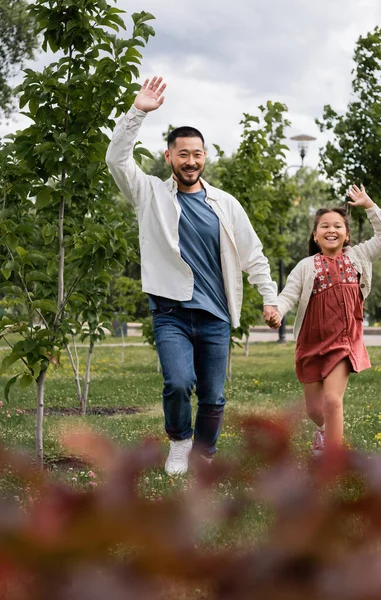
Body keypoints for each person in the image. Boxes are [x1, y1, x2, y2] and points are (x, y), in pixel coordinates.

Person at [106, 76, 280, 475]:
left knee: (214, 396)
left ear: (205, 158)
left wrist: (269, 297)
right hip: (171, 313)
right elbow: (117, 159)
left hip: (216, 316)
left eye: (197, 154)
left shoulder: (226, 204)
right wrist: (137, 113)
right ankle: (180, 442)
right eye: (182, 154)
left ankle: (204, 455)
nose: (190, 161)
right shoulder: (149, 194)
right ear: (169, 157)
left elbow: (254, 255)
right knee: (180, 383)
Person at [275, 185, 381, 455]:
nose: (331, 230)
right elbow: (288, 295)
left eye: (338, 226)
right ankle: (323, 431)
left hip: (344, 341)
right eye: (324, 226)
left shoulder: (359, 257)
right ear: (315, 236)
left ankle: (332, 461)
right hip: (311, 343)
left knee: (332, 401)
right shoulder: (306, 267)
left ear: (347, 234)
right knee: (315, 410)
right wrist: (276, 312)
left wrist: (369, 205)